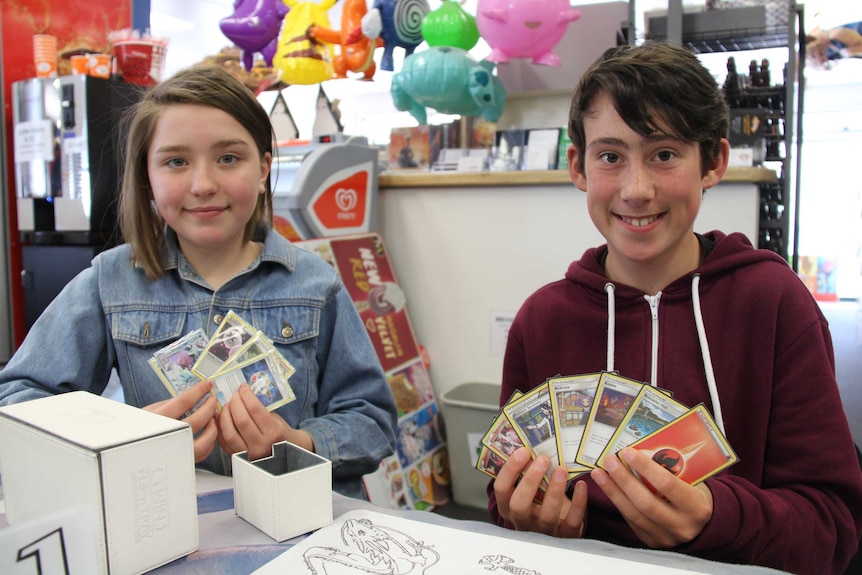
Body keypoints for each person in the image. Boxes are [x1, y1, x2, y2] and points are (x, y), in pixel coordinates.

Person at [488, 41, 862, 575]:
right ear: (578, 166)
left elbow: (832, 528)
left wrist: (715, 519)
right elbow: (504, 502)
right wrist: (532, 523)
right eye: (611, 156)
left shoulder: (774, 304)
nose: (637, 190)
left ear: (713, 163)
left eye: (664, 154)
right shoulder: (541, 321)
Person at [0, 65, 398, 500]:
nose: (203, 184)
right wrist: (120, 436)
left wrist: (297, 444)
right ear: (146, 177)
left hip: (295, 520)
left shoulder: (316, 285)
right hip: (166, 522)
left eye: (228, 158)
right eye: (176, 161)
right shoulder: (108, 283)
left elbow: (372, 421)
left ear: (263, 167)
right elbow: (18, 399)